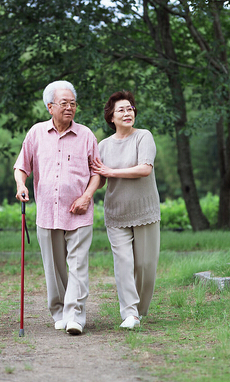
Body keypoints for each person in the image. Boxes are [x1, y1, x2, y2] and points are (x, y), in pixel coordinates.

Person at [14, 80, 100, 335]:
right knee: (54, 268)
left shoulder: (86, 135)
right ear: (49, 106)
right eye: (64, 103)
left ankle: (75, 316)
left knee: (78, 264)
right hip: (47, 213)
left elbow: (97, 172)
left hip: (80, 213)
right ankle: (59, 310)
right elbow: (22, 166)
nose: (70, 108)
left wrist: (87, 196)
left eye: (73, 104)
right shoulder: (36, 133)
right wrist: (21, 185)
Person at [91, 90, 161, 330]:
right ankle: (130, 313)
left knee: (145, 267)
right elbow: (98, 179)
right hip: (116, 213)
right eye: (121, 109)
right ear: (111, 117)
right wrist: (84, 191)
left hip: (145, 212)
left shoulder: (143, 137)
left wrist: (111, 172)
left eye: (130, 108)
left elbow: (145, 169)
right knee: (123, 264)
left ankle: (140, 311)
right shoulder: (102, 146)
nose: (127, 112)